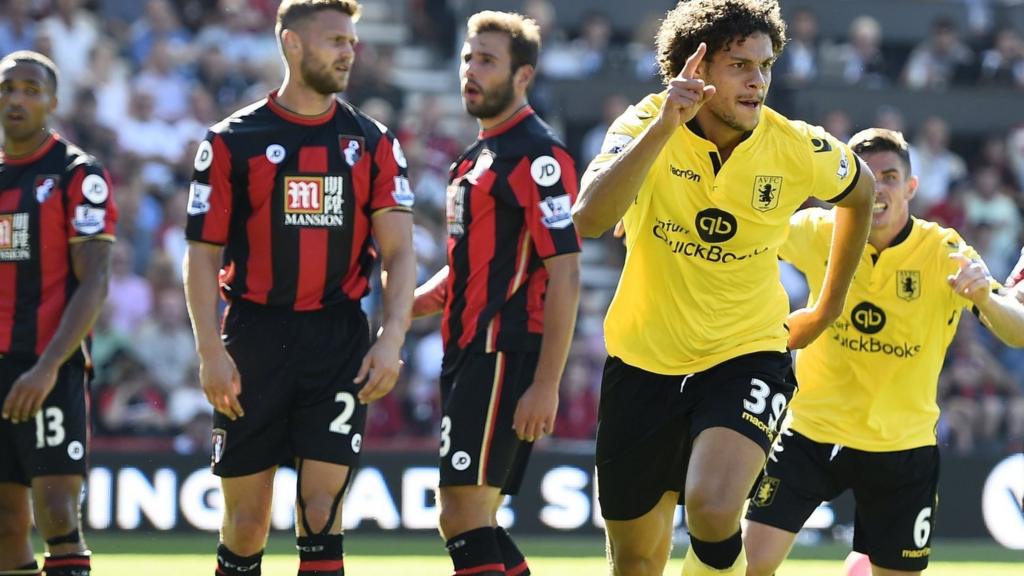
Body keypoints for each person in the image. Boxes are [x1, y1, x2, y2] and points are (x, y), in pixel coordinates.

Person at [570, 1, 875, 574]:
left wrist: (827, 306)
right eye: (739, 64)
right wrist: (665, 128)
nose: (758, 80)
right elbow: (587, 218)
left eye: (765, 65)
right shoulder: (643, 124)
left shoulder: (795, 146)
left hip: (747, 351)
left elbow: (859, 195)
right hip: (642, 358)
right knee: (636, 563)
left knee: (713, 508)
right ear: (696, 69)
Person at [182, 2, 415, 575]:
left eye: (352, 42)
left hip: (336, 339)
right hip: (253, 337)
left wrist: (391, 340)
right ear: (291, 43)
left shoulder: (372, 141)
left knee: (320, 511)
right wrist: (210, 350)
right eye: (335, 40)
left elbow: (401, 251)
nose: (348, 52)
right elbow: (202, 252)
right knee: (245, 523)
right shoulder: (233, 138)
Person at [744, 128, 1024, 576]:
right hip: (811, 432)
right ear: (845, 186)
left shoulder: (942, 250)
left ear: (911, 188)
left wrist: (986, 298)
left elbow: (1018, 331)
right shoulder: (819, 231)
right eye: (865, 178)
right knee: (747, 566)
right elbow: (746, 230)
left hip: (902, 446)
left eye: (890, 176)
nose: (877, 189)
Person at [412, 11, 580, 576]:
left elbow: (566, 273)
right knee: (469, 516)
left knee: (463, 514)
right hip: (466, 353)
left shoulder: (537, 157)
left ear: (523, 76)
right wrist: (404, 306)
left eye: (486, 61)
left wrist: (546, 385)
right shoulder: (474, 157)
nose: (470, 71)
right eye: (467, 58)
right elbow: (466, 269)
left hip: (505, 353)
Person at [0, 50, 117, 576]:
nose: (17, 99)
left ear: (52, 101)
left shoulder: (77, 174)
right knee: (4, 520)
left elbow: (95, 280)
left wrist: (47, 367)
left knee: (56, 513)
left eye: (30, 89)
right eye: (7, 89)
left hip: (51, 366)